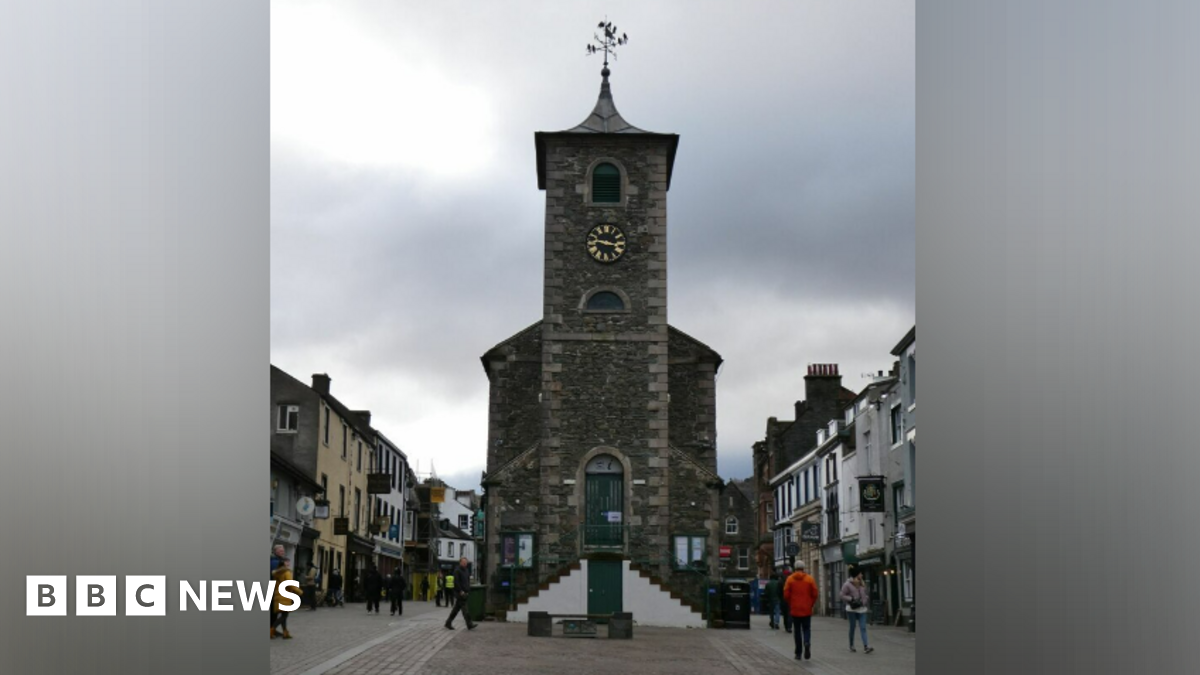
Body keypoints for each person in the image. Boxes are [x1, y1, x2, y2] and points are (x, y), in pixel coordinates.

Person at [782, 561, 819, 661]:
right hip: (806, 608)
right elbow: (815, 593)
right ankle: (806, 642)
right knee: (806, 628)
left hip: (795, 609)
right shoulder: (809, 579)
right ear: (803, 568)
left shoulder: (790, 579)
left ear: (795, 568)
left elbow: (786, 594)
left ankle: (798, 653)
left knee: (797, 630)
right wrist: (811, 604)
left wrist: (791, 603)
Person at [841, 569, 874, 653]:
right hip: (851, 609)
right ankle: (851, 645)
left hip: (862, 608)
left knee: (863, 627)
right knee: (852, 627)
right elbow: (842, 595)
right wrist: (851, 599)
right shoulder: (847, 584)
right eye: (860, 573)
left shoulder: (862, 583)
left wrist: (865, 599)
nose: (862, 575)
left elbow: (865, 594)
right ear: (856, 575)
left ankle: (866, 646)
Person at [270, 558, 300, 639]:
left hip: (278, 595)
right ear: (283, 563)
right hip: (285, 595)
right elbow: (290, 584)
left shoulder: (276, 572)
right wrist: (299, 591)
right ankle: (271, 630)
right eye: (287, 562)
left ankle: (285, 633)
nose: (288, 563)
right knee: (284, 616)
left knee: (284, 615)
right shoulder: (287, 572)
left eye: (288, 562)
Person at [444, 557, 477, 630]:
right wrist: (460, 591)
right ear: (460, 562)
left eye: (466, 562)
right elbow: (456, 582)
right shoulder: (457, 571)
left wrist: (468, 590)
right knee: (465, 609)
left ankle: (448, 622)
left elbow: (467, 581)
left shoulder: (466, 571)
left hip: (465, 592)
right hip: (460, 593)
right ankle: (469, 624)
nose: (465, 563)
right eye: (463, 562)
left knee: (456, 609)